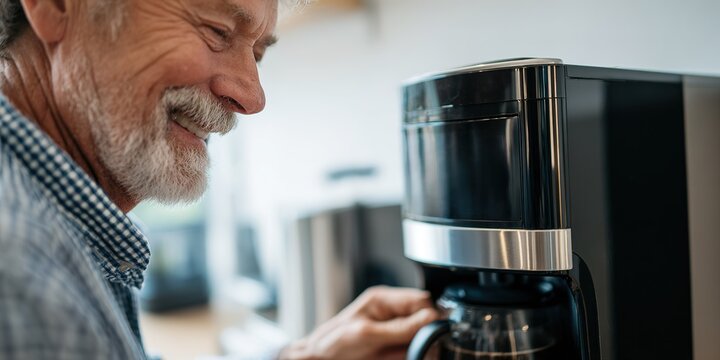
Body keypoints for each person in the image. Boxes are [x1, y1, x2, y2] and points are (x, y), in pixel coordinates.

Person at [0, 0, 437, 359]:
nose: (252, 95)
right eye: (215, 30)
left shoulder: (64, 229)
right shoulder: (21, 269)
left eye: (258, 54)